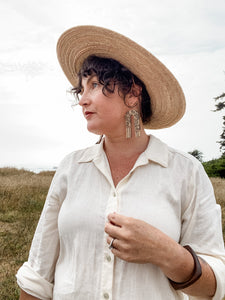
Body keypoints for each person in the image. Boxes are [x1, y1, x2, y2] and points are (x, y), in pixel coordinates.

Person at [16, 25, 225, 300]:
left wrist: (168, 253)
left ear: (133, 94)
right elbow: (37, 277)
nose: (82, 100)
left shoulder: (186, 171)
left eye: (93, 85)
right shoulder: (70, 168)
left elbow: (216, 286)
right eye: (80, 89)